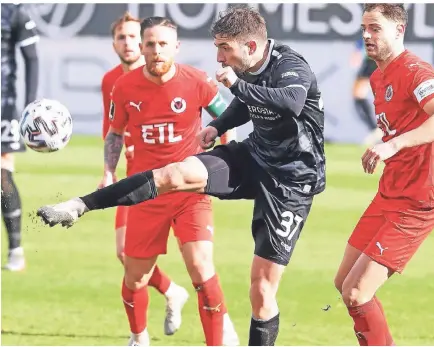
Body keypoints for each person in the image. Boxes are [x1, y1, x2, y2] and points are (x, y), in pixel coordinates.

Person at [37, 6, 325, 346]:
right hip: (254, 156)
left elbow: (290, 102)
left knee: (261, 291)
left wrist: (236, 87)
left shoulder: (290, 65)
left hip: (292, 180)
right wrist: (218, 125)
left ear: (250, 47)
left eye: (224, 48)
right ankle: (79, 205)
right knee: (173, 174)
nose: (218, 57)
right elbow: (244, 106)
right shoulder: (239, 66)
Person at [333, 4, 434, 346]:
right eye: (363, 28)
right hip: (389, 193)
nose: (366, 35)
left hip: (418, 202)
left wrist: (394, 145)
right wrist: (387, 144)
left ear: (399, 30)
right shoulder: (377, 77)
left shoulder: (416, 71)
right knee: (344, 282)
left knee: (357, 293)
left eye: (375, 28)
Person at [100, 12, 190, 339]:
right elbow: (112, 130)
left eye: (133, 37)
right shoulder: (112, 81)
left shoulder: (160, 74)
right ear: (114, 43)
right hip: (133, 176)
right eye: (122, 37)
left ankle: (221, 326)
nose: (129, 43)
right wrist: (108, 172)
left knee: (197, 258)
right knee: (125, 254)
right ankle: (169, 294)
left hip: (170, 178)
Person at [1, 4, 40, 271]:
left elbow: (32, 58)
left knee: (2, 172)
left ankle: (15, 249)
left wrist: (29, 106)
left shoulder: (13, 11)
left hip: (3, 103)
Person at [350, 38, 383, 145]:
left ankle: (376, 130)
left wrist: (358, 49)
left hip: (373, 60)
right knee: (358, 96)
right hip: (372, 60)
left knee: (358, 95)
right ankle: (375, 130)